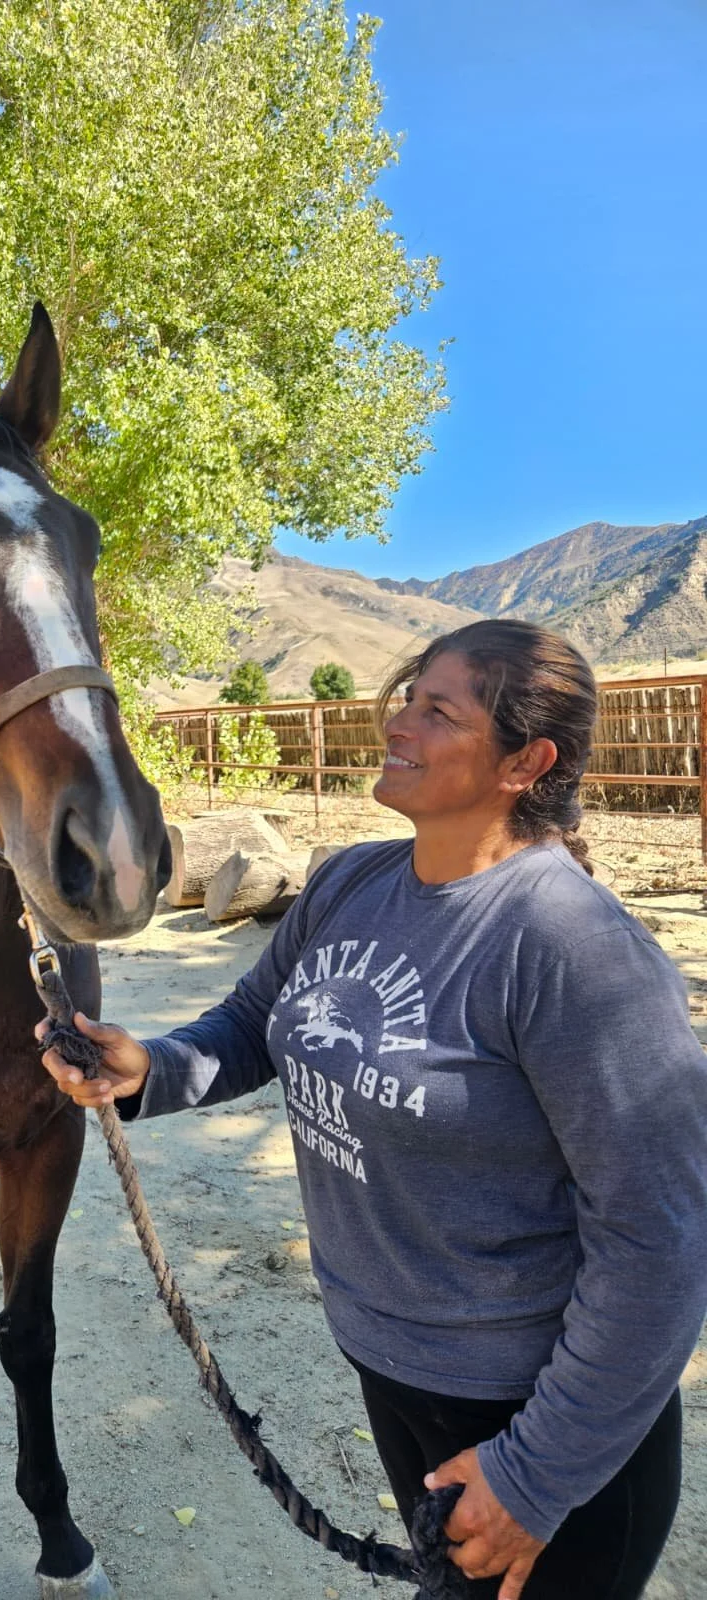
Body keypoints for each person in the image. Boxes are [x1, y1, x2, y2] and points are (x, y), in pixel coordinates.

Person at [40, 619, 707, 1600]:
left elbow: (660, 1241)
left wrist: (537, 1473)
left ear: (525, 762)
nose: (398, 721)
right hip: (395, 1372)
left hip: (538, 1415)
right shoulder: (353, 882)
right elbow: (254, 1023)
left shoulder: (573, 950)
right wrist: (147, 1070)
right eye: (407, 696)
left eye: (439, 711)